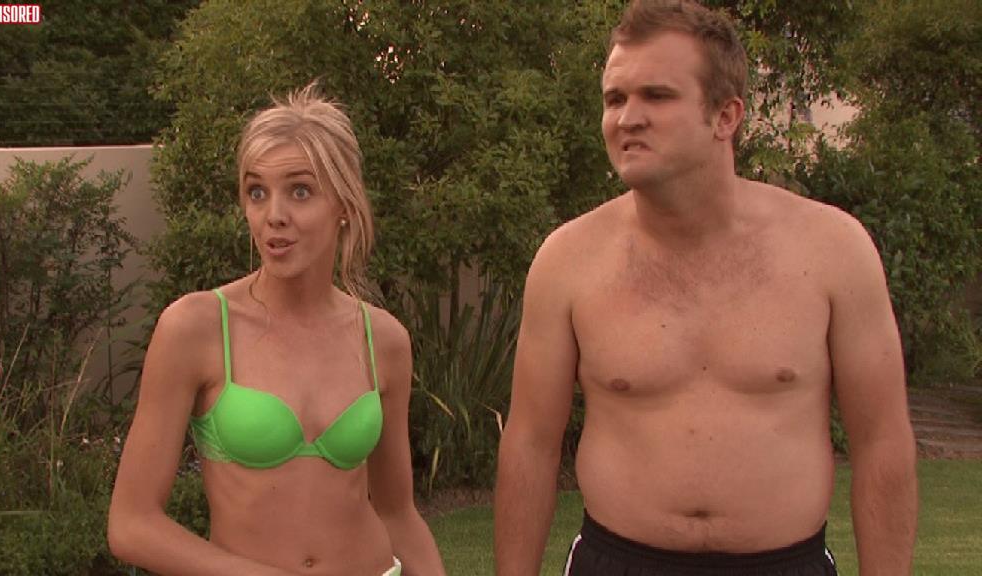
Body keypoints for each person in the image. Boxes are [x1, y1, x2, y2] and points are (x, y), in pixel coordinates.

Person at [494, 1, 917, 575]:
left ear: (725, 116)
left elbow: (882, 443)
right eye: (615, 99)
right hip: (617, 563)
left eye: (656, 96)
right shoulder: (566, 262)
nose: (628, 118)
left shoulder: (833, 251)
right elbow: (530, 445)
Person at [108, 83, 446, 576]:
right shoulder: (197, 328)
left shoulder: (383, 340)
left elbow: (398, 513)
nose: (274, 217)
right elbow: (131, 523)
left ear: (344, 204)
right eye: (257, 192)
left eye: (300, 191)